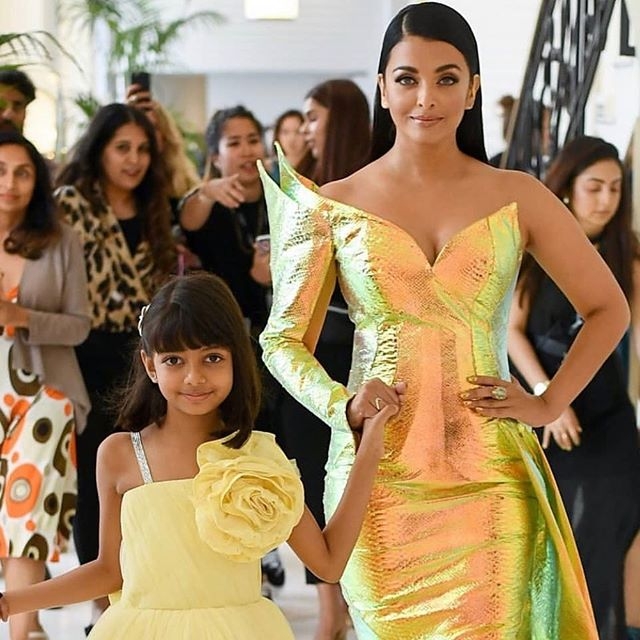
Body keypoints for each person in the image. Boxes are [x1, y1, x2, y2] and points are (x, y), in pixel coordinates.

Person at [258, 3, 629, 637]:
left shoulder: (520, 195)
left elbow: (608, 310)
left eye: (447, 78)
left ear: (473, 88)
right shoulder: (330, 206)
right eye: (407, 78)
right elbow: (282, 341)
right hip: (376, 484)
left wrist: (546, 402)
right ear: (383, 87)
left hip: (491, 480)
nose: (426, 97)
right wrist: (340, 404)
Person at [0, 271, 398, 639]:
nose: (194, 377)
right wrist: (11, 601)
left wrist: (369, 448)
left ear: (235, 361)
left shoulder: (257, 455)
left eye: (212, 358)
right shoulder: (119, 454)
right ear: (150, 365)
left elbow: (327, 563)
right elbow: (109, 571)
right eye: (174, 360)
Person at [508, 136, 640, 640]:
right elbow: (512, 331)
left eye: (615, 188)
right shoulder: (535, 248)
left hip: (607, 420)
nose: (606, 199)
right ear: (566, 190)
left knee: (601, 542)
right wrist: (548, 398)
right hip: (545, 419)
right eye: (594, 187)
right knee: (548, 550)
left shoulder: (626, 254)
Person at [54, 103, 176, 633]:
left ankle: (142, 590)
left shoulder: (154, 204)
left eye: (143, 149)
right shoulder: (69, 204)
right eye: (122, 147)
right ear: (99, 149)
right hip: (89, 351)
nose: (134, 160)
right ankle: (103, 606)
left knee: (148, 475)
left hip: (145, 353)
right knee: (95, 480)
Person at [276, 78, 371, 640]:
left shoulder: (372, 182)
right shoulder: (305, 187)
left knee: (365, 480)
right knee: (312, 482)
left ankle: (360, 606)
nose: (306, 127)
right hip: (307, 357)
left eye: (314, 116)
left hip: (361, 354)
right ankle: (331, 617)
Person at [0, 130, 90, 640]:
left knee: (26, 516)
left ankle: (21, 630)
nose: (9, 183)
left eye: (22, 171)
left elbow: (79, 324)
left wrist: (20, 314)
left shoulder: (61, 241)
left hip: (43, 395)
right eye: (0, 170)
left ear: (38, 181)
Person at [179, 105, 271, 334]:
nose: (247, 151)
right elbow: (188, 220)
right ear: (216, 158)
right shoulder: (209, 204)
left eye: (253, 140)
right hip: (220, 328)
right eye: (234, 143)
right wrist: (207, 193)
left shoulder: (279, 197)